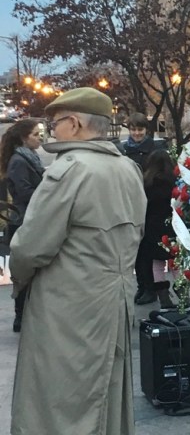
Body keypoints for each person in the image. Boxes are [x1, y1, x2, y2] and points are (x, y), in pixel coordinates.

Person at [9, 87, 146, 435]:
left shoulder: (68, 170)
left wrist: (19, 281)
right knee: (108, 394)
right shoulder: (128, 168)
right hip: (115, 300)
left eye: (55, 122)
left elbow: (29, 247)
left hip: (67, 306)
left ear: (75, 123)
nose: (52, 130)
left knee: (60, 404)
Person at [0, 119, 45, 332]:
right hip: (24, 222)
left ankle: (28, 314)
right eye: (35, 134)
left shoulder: (30, 157)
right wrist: (49, 192)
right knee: (24, 272)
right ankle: (20, 316)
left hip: (32, 219)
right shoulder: (19, 160)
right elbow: (23, 192)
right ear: (23, 138)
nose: (39, 138)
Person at [123, 112, 159, 302]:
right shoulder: (124, 150)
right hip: (130, 204)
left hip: (150, 204)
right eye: (133, 129)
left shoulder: (155, 149)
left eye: (140, 129)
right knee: (135, 249)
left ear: (146, 130)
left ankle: (150, 288)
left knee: (147, 249)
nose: (136, 133)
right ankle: (142, 285)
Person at [137, 150, 176, 308]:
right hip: (171, 224)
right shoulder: (173, 181)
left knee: (157, 263)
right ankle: (184, 298)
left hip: (151, 226)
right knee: (175, 262)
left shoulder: (146, 183)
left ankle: (164, 298)